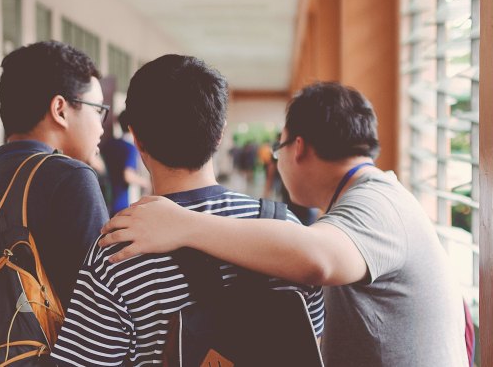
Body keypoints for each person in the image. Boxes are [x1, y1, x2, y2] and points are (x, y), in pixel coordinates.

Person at [101, 82, 469, 367]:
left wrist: (184, 224)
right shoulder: (377, 196)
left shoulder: (378, 203)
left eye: (277, 151)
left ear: (298, 148)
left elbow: (317, 258)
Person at [51, 55, 324, 367]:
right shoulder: (284, 231)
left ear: (138, 139)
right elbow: (310, 346)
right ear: (219, 134)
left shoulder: (118, 250)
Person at [0, 41, 110, 300]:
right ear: (60, 109)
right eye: (99, 110)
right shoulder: (73, 179)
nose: (101, 126)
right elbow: (102, 308)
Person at [100, 110, 149, 215]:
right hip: (121, 204)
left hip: (104, 199)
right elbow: (128, 176)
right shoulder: (130, 148)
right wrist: (145, 182)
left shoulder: (109, 144)